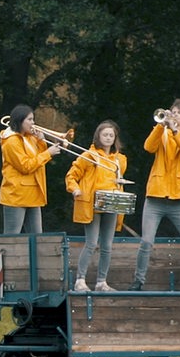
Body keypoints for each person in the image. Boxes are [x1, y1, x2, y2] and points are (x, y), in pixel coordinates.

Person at [129, 99, 180, 291]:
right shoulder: (162, 131)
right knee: (146, 241)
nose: (174, 115)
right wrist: (160, 126)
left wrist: (175, 131)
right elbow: (148, 147)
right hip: (155, 195)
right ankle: (138, 281)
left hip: (178, 198)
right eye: (172, 112)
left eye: (179, 113)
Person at [65, 120, 129, 292]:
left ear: (115, 138)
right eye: (105, 135)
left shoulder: (119, 160)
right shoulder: (89, 156)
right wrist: (75, 189)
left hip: (111, 204)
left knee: (107, 245)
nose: (108, 138)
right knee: (91, 243)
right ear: (98, 137)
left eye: (111, 135)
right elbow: (71, 175)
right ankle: (80, 280)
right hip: (92, 204)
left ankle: (102, 282)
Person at [0, 104, 63, 234]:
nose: (33, 123)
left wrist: (41, 141)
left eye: (33, 119)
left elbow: (39, 160)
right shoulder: (11, 141)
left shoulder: (29, 138)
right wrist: (48, 153)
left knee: (37, 238)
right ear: (20, 120)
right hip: (16, 195)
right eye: (29, 119)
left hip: (33, 193)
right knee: (12, 237)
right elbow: (25, 166)